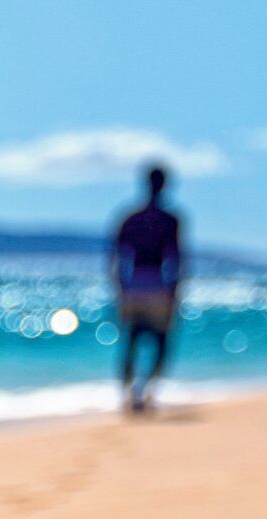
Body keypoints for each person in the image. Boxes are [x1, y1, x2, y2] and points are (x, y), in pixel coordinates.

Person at [111, 165, 183, 414]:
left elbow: (116, 257)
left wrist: (120, 287)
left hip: (134, 283)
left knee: (131, 340)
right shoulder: (170, 220)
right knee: (161, 342)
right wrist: (175, 291)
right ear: (164, 185)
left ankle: (131, 394)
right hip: (158, 283)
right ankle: (146, 391)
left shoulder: (130, 218)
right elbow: (177, 258)